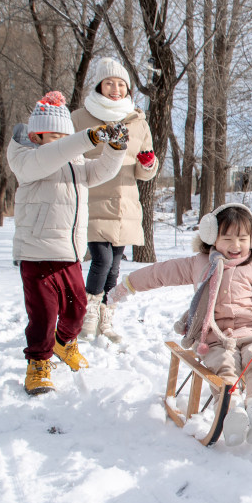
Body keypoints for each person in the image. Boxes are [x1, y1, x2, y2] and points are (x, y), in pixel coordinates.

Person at [108, 203, 252, 446]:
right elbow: (161, 273)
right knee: (223, 366)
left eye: (242, 238)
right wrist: (127, 286)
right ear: (211, 237)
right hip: (214, 335)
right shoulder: (200, 263)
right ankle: (230, 409)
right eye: (227, 238)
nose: (235, 246)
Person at [8, 91, 129, 395]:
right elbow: (50, 157)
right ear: (36, 135)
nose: (61, 141)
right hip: (37, 254)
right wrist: (86, 137)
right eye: (53, 135)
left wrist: (115, 148)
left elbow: (100, 171)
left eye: (65, 135)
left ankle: (65, 344)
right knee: (43, 317)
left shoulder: (73, 160)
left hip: (70, 252)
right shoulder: (25, 157)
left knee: (76, 311)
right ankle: (38, 363)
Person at [71, 56, 159, 344]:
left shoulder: (137, 121)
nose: (116, 89)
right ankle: (89, 314)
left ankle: (107, 317)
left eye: (121, 84)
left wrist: (147, 164)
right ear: (99, 85)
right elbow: (68, 156)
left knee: (116, 264)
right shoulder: (80, 118)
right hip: (93, 199)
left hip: (125, 204)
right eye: (109, 83)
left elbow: (143, 172)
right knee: (102, 258)